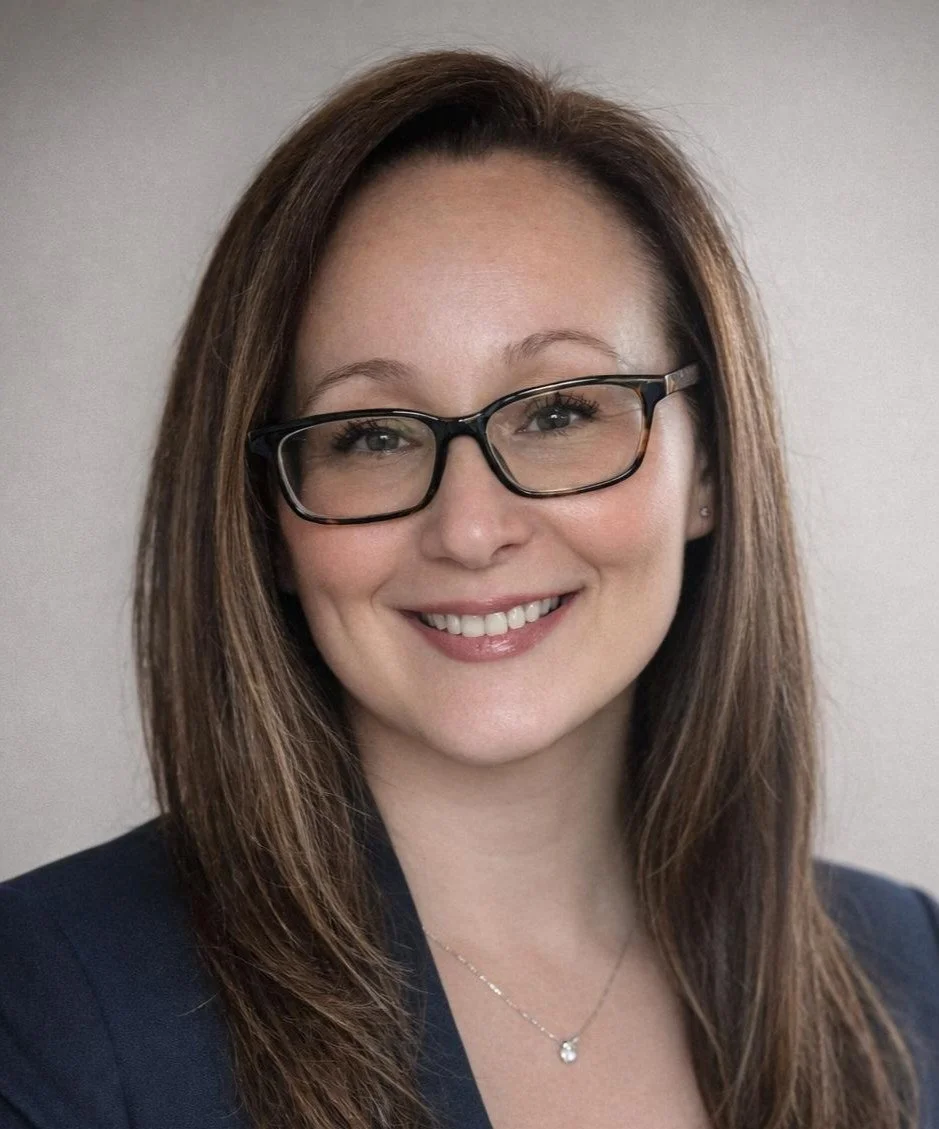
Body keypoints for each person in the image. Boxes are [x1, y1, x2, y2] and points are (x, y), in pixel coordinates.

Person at [1, 48, 936, 1129]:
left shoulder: (910, 971)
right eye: (372, 435)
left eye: (559, 411)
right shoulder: (49, 1010)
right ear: (266, 515)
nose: (472, 528)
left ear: (712, 466)